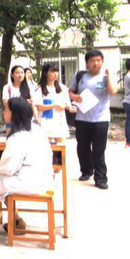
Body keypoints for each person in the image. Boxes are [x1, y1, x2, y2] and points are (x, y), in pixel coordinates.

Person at [0, 97, 54, 244]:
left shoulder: (17, 137)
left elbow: (7, 168)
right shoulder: (38, 131)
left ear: (14, 114)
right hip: (45, 180)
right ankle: (17, 221)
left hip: (27, 182)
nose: (4, 112)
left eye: (6, 109)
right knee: (5, 187)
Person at [69, 50, 118, 190]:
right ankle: (86, 171)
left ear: (102, 62)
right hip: (82, 118)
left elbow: (113, 91)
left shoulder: (106, 77)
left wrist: (110, 76)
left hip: (101, 119)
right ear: (87, 63)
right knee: (82, 147)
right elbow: (71, 91)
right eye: (92, 61)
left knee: (99, 149)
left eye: (98, 60)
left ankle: (100, 178)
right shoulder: (80, 76)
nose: (95, 63)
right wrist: (75, 97)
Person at [33, 63, 74, 144]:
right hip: (45, 122)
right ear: (45, 73)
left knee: (61, 147)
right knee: (45, 147)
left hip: (60, 122)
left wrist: (70, 107)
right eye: (52, 71)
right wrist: (55, 105)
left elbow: (68, 103)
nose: (55, 74)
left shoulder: (62, 88)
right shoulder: (39, 89)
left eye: (57, 71)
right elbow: (39, 107)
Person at [2, 65, 32, 133]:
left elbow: (31, 102)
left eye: (22, 73)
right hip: (12, 118)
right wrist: (24, 102)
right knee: (10, 136)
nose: (20, 75)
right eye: (17, 73)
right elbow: (6, 103)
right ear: (12, 75)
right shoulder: (7, 87)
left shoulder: (29, 87)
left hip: (25, 119)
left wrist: (14, 102)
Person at [123, 59, 130, 149]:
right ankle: (128, 141)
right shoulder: (129, 76)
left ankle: (128, 141)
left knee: (128, 121)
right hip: (129, 101)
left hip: (127, 101)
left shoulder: (127, 75)